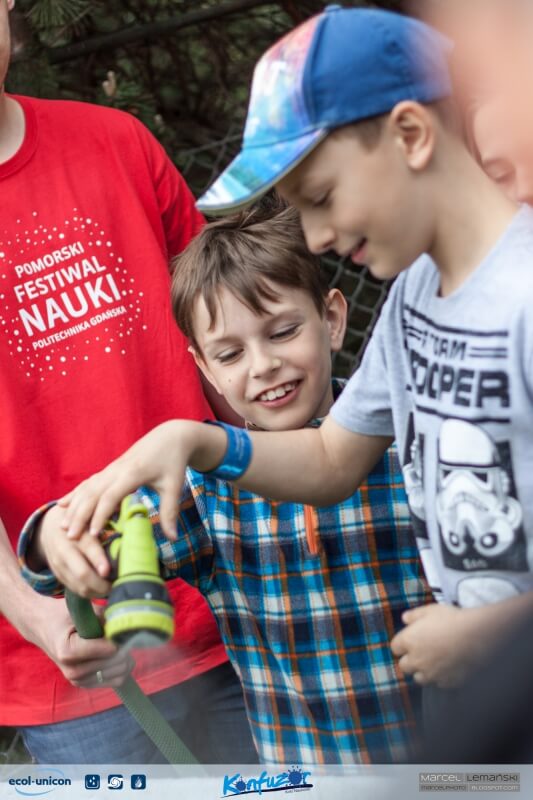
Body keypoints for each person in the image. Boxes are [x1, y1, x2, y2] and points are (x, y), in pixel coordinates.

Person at [36, 6, 533, 738]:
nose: (319, 237)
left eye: (322, 198)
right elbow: (331, 458)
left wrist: (492, 633)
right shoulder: (412, 301)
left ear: (410, 135)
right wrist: (193, 441)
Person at [19, 201, 431, 765]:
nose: (262, 365)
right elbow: (77, 551)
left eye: (283, 331)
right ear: (205, 369)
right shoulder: (207, 490)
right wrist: (53, 537)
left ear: (332, 319)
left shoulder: (409, 443)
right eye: (231, 353)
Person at [0, 0, 255, 765]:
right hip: (77, 661)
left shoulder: (116, 141)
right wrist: (39, 617)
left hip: (243, 606)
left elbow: (229, 351)